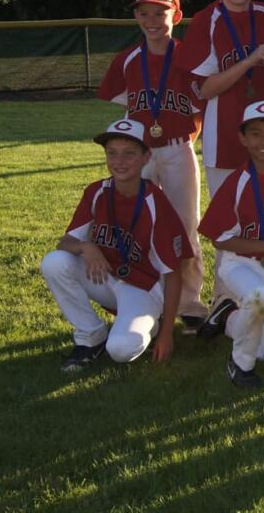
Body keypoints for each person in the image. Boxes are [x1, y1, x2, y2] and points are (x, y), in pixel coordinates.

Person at [97, 0, 209, 332]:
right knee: (137, 226)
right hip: (139, 154)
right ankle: (146, 299)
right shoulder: (127, 60)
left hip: (177, 148)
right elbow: (122, 104)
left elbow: (204, 101)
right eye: (143, 13)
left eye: (160, 12)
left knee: (184, 226)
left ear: (176, 14)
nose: (152, 19)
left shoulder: (190, 58)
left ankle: (189, 303)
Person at [41, 119, 189, 372]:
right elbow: (65, 242)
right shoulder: (97, 191)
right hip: (106, 276)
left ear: (146, 157)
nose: (119, 161)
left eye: (129, 154)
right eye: (112, 153)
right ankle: (91, 336)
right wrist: (87, 248)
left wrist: (167, 334)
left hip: (142, 289)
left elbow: (174, 273)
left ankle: (150, 325)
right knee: (54, 262)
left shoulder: (155, 203)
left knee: (120, 351)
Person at [196, 101, 264, 387]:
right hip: (238, 263)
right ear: (242, 138)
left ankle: (229, 315)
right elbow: (219, 238)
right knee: (260, 298)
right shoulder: (238, 181)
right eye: (255, 133)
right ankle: (240, 364)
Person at [179, 0, 264, 196]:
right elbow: (205, 89)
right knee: (228, 219)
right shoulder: (207, 20)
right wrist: (248, 61)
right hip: (225, 135)